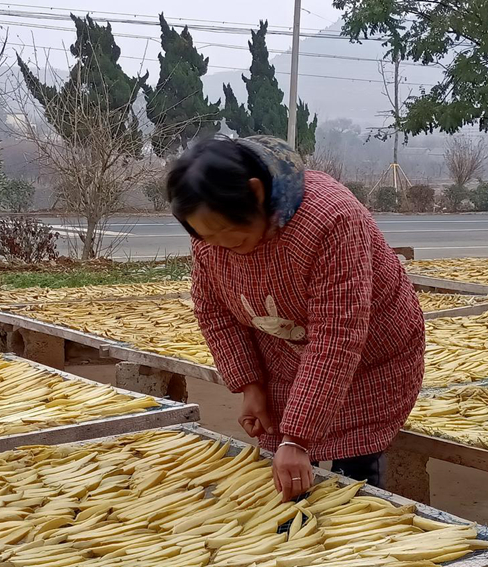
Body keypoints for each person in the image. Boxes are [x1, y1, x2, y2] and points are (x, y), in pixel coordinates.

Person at [166, 135, 425, 501]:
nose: (219, 248)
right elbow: (214, 312)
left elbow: (336, 338)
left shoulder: (331, 219)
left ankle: (360, 543)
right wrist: (251, 386)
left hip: (368, 358)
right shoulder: (210, 233)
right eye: (207, 239)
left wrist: (297, 437)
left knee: (355, 481)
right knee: (289, 481)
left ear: (256, 194)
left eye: (232, 238)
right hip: (283, 352)